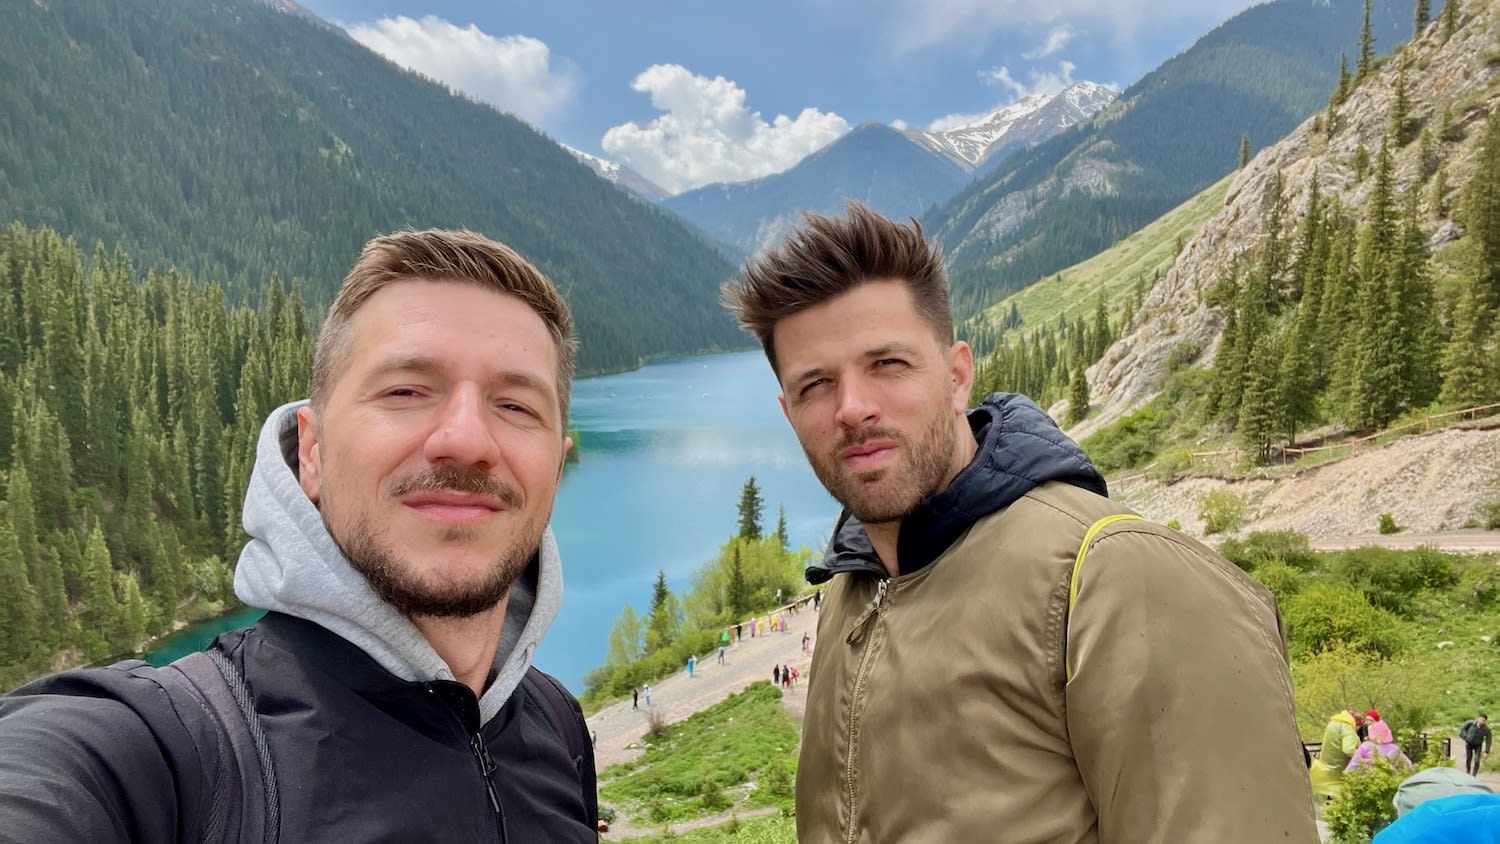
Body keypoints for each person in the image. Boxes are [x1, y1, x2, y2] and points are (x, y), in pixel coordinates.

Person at [720, 201, 1316, 842]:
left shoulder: (1120, 578)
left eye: (887, 364)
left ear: (956, 377)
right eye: (816, 385)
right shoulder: (850, 590)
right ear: (788, 411)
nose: (853, 408)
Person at [0, 229, 598, 840]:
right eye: (406, 391)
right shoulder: (175, 753)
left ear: (556, 463)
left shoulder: (557, 725)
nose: (467, 440)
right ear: (311, 451)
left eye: (518, 406)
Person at [1311, 710, 1365, 798]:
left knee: (1330, 793)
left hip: (1326, 767)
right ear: (1356, 723)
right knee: (1340, 794)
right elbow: (1349, 750)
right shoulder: (1348, 729)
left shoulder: (1333, 723)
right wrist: (1362, 757)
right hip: (1339, 769)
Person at [1346, 719, 1412, 772]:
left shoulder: (1365, 746)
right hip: (1388, 779)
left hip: (1367, 780)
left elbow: (1353, 764)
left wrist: (1346, 775)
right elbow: (1408, 764)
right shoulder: (1394, 748)